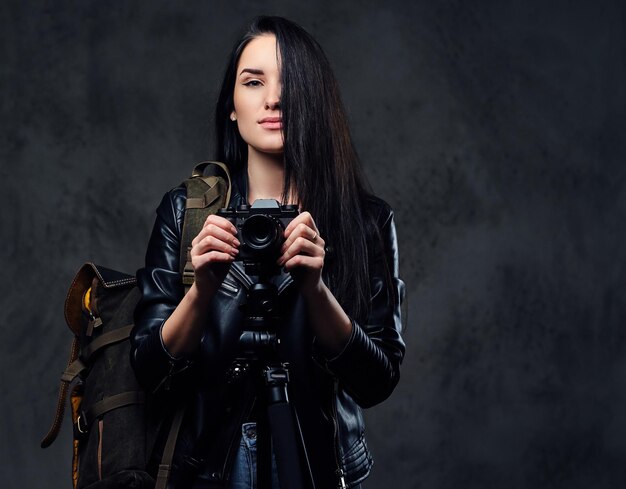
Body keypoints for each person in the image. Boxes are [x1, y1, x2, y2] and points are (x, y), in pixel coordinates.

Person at [131, 15, 405, 489]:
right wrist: (202, 290)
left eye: (290, 84)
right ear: (231, 107)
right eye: (253, 82)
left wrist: (315, 289)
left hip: (321, 463)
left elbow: (376, 381)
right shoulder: (187, 211)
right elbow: (149, 371)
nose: (273, 99)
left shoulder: (363, 221)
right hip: (208, 464)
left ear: (315, 102)